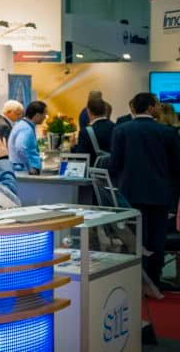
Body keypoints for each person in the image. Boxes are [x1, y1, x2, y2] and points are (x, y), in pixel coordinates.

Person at [109, 93, 180, 290]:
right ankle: (154, 283)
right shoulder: (168, 132)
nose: (158, 108)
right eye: (156, 105)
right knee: (156, 240)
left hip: (130, 195)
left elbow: (114, 165)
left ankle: (134, 283)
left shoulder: (121, 130)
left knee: (133, 240)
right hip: (160, 195)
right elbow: (177, 168)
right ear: (150, 108)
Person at [9, 101, 47, 175]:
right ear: (37, 115)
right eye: (44, 114)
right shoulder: (26, 128)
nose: (45, 117)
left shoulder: (22, 125)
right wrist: (30, 167)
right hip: (25, 172)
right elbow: (20, 148)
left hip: (21, 170)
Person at [72, 99, 114, 165]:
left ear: (88, 111)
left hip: (95, 170)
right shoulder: (117, 127)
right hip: (116, 170)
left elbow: (80, 159)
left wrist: (73, 146)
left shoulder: (85, 132)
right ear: (104, 110)